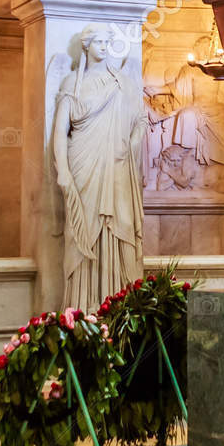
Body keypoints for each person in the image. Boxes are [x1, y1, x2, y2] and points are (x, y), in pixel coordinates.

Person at [51, 24, 146, 312]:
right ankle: (84, 308)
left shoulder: (122, 83)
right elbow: (59, 132)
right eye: (99, 42)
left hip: (117, 165)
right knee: (82, 231)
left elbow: (140, 120)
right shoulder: (72, 84)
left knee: (121, 225)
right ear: (86, 46)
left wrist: (132, 143)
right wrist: (63, 172)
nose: (105, 47)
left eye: (108, 42)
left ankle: (118, 305)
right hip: (83, 162)